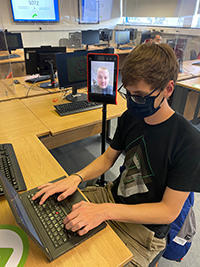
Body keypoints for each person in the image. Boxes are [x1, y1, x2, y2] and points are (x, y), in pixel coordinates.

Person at [32, 43, 200, 267]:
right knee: (49, 214)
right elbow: (107, 158)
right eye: (128, 93)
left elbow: (168, 212)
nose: (132, 102)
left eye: (140, 95)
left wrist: (105, 212)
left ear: (168, 89)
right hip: (112, 197)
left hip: (143, 230)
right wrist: (76, 177)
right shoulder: (130, 117)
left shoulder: (189, 142)